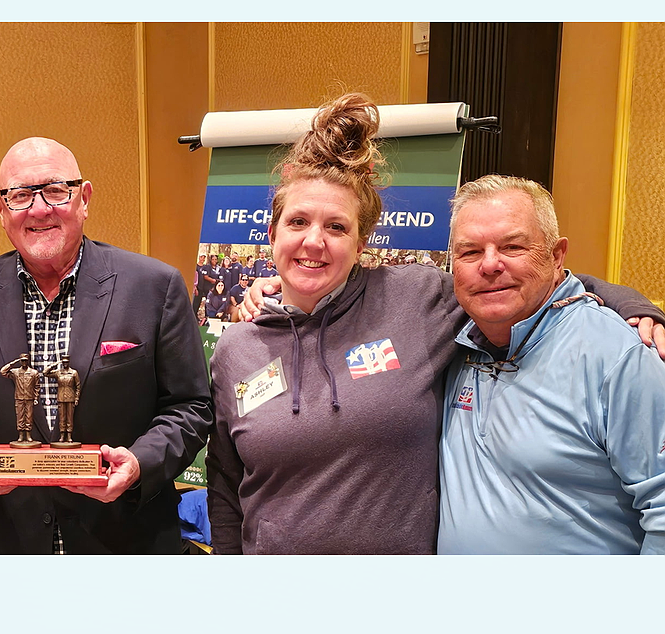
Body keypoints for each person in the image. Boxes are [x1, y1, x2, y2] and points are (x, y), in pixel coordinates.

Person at [207, 93, 665, 554]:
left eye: (337, 227)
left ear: (362, 242)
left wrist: (633, 305)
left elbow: (520, 281)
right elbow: (225, 488)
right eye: (298, 221)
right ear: (272, 232)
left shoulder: (414, 298)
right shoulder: (237, 348)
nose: (314, 241)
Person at [0, 136, 211, 554]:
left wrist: (138, 465)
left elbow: (191, 406)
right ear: (1, 210)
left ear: (84, 198)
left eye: (56, 190)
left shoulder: (155, 287)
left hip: (130, 544)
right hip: (15, 547)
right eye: (20, 195)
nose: (39, 209)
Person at [438, 176, 665, 554]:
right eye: (470, 252)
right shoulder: (451, 343)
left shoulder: (622, 356)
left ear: (557, 256)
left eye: (512, 247)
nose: (490, 265)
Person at [1, 353, 42, 447]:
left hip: (29, 398)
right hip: (19, 397)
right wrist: (13, 363)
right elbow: (3, 372)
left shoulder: (33, 372)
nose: (24, 362)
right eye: (22, 360)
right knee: (20, 417)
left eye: (25, 360)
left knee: (29, 417)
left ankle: (28, 436)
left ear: (28, 361)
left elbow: (37, 386)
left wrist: (36, 398)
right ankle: (20, 435)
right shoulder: (15, 372)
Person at [42, 354, 82, 446]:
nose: (65, 364)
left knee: (69, 418)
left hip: (70, 397)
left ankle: (69, 436)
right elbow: (45, 373)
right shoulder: (58, 372)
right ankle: (62, 435)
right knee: (62, 418)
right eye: (63, 362)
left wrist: (76, 398)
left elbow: (78, 386)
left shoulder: (73, 373)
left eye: (66, 362)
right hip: (61, 397)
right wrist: (54, 364)